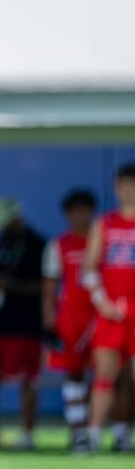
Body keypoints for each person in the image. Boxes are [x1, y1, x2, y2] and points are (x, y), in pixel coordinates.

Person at [0, 196, 47, 450]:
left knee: (27, 379)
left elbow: (45, 286)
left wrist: (13, 286)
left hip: (27, 322)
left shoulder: (38, 245)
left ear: (17, 218)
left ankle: (27, 432)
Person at [81, 164, 135, 453]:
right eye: (124, 185)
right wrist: (102, 302)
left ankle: (124, 433)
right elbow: (88, 270)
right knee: (105, 373)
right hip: (110, 309)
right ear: (116, 188)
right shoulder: (105, 224)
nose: (129, 192)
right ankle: (93, 435)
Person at [42, 188, 99, 452]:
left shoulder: (101, 240)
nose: (80, 216)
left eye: (85, 210)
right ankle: (78, 432)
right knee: (74, 374)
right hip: (71, 318)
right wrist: (49, 319)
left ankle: (107, 431)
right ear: (67, 214)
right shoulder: (59, 245)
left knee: (108, 375)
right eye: (75, 211)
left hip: (101, 315)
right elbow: (50, 286)